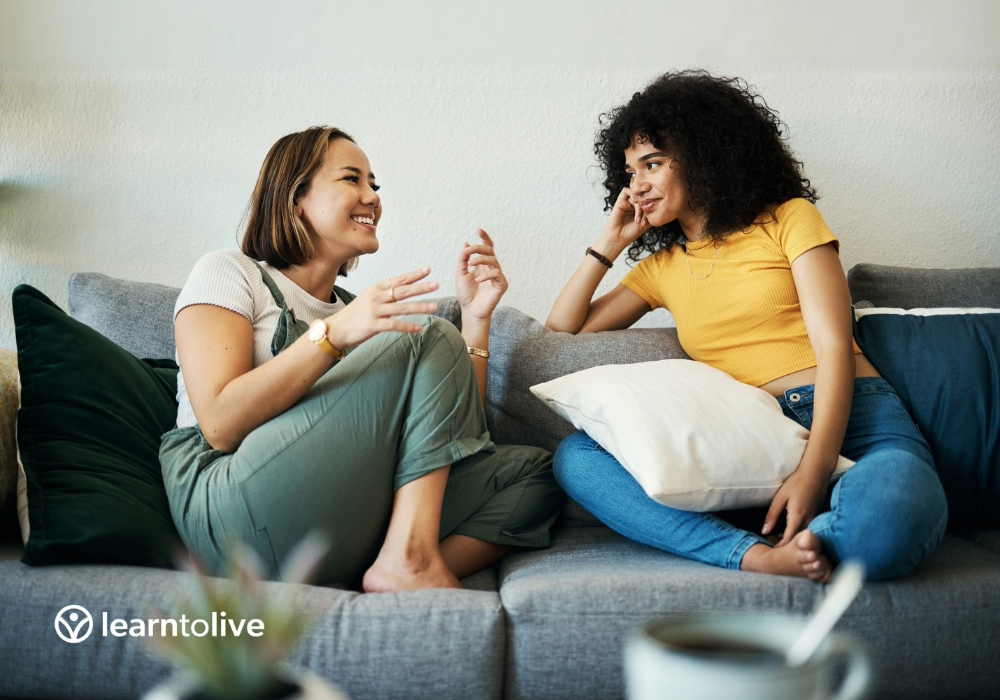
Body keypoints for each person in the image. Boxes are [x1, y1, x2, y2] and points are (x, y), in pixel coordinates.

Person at [546, 70, 947, 582]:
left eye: (653, 163)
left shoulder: (789, 220)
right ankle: (756, 555)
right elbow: (562, 332)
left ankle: (819, 534)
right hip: (748, 439)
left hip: (856, 423)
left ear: (704, 155)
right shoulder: (662, 269)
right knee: (577, 458)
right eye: (629, 171)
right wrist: (608, 245)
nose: (637, 185)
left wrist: (814, 469)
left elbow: (832, 348)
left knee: (893, 514)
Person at [160, 126, 562, 591]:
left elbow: (453, 434)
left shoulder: (358, 309)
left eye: (374, 184)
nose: (372, 196)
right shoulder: (230, 273)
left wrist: (475, 321)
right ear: (296, 199)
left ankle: (392, 564)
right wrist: (334, 333)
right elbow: (219, 423)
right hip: (230, 505)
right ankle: (408, 559)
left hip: (336, 513)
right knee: (427, 332)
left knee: (539, 474)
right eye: (352, 179)